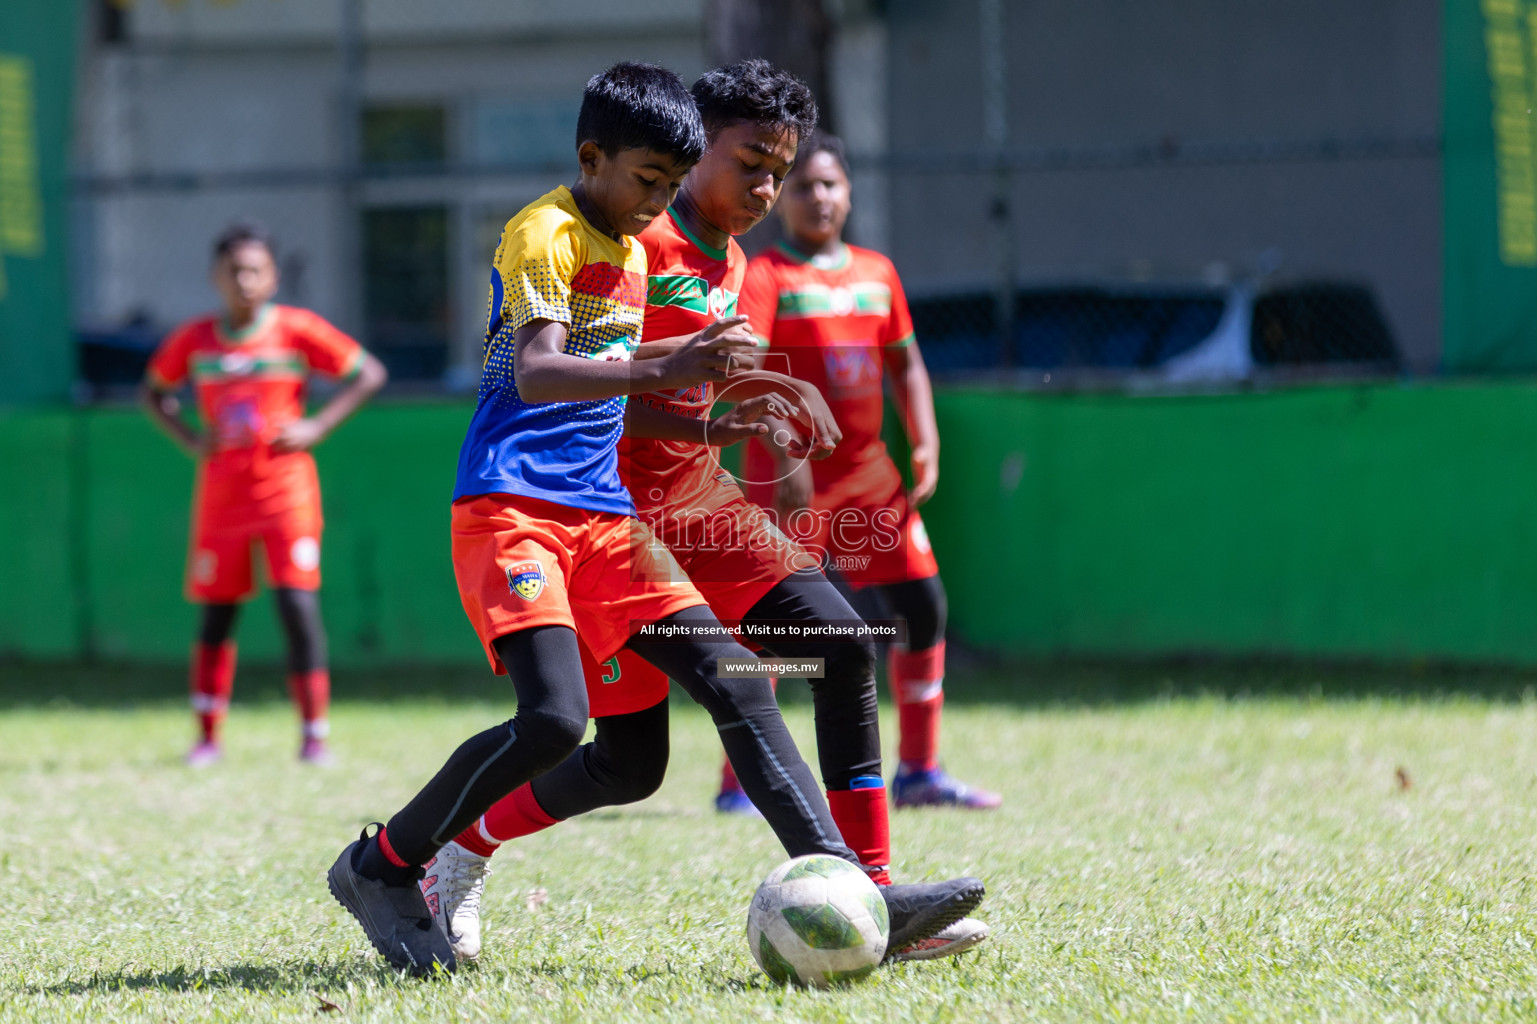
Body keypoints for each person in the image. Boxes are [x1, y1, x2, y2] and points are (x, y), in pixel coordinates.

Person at [325, 62, 983, 977]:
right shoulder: (573, 232)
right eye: (748, 162)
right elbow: (554, 372)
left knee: (797, 660)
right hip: (554, 506)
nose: (764, 188)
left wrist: (728, 415)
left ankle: (863, 888)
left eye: (778, 172)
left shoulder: (689, 250)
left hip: (641, 510)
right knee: (598, 744)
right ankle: (422, 857)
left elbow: (636, 379)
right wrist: (675, 374)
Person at [739, 134, 1002, 810]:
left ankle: (918, 772)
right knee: (767, 628)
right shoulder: (767, 276)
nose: (816, 197)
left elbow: (904, 364)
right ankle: (738, 780)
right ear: (780, 202)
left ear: (849, 193)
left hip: (869, 478)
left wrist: (924, 443)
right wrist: (783, 453)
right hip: (791, 483)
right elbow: (746, 375)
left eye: (828, 184)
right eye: (801, 186)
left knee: (920, 608)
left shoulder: (877, 273)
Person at [142, 221, 387, 767]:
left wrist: (317, 427)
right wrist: (188, 437)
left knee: (297, 608)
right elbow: (155, 391)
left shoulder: (297, 330)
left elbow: (369, 373)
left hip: (287, 495)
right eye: (233, 271)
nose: (244, 280)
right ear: (216, 277)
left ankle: (314, 735)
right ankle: (207, 737)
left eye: (254, 270)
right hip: (222, 500)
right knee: (217, 614)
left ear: (273, 276)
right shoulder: (195, 339)